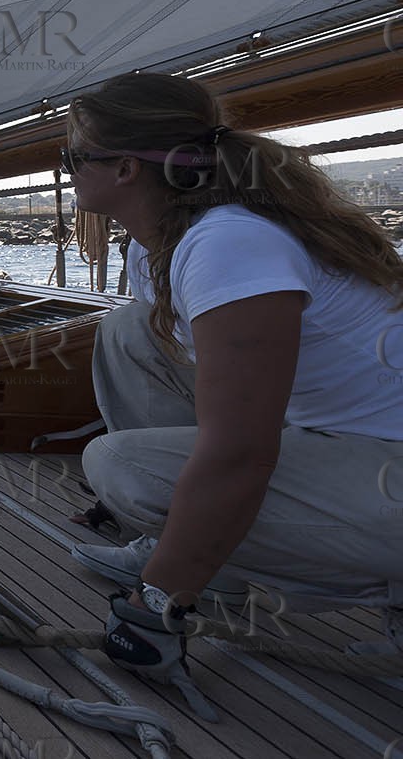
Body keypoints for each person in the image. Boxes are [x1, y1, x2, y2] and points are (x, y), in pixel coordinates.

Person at [60, 73, 403, 700]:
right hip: (343, 437)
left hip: (388, 463)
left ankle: (384, 591)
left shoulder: (229, 242)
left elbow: (242, 452)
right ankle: (198, 552)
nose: (67, 172)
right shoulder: (159, 248)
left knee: (121, 466)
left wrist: (157, 602)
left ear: (127, 169)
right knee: (130, 331)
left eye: (75, 158)